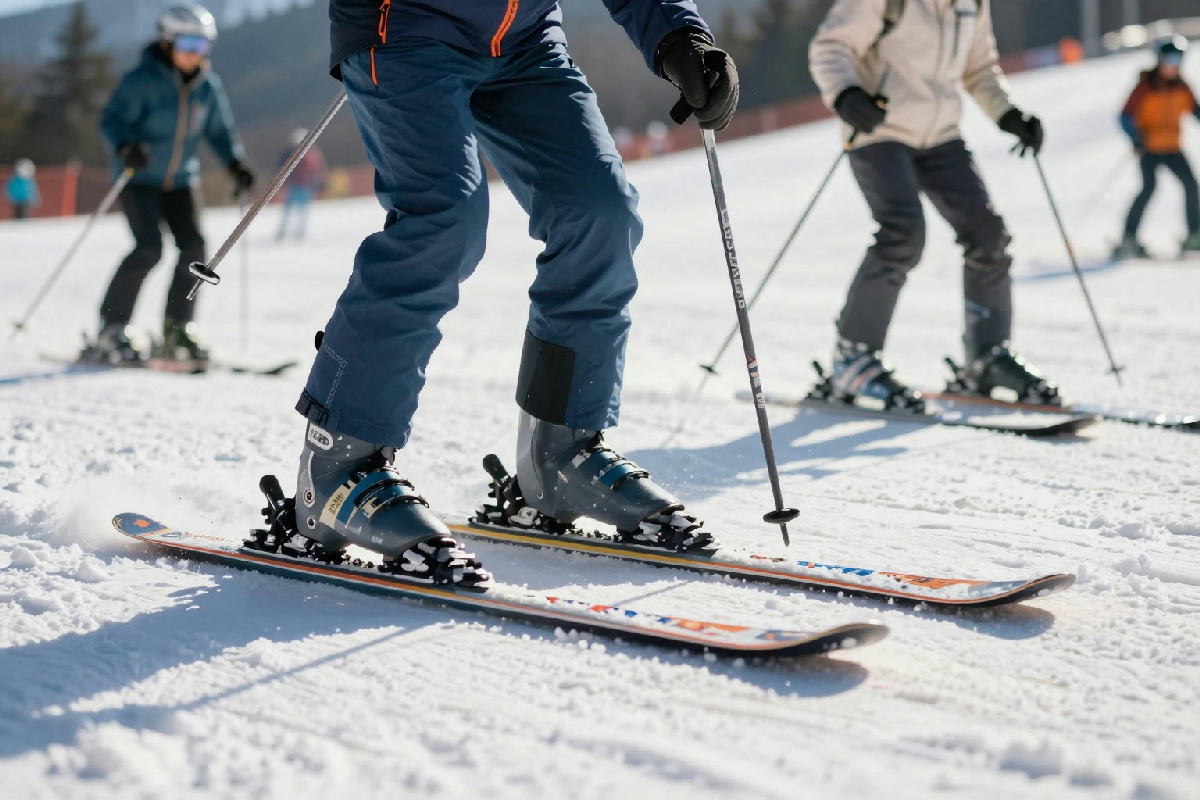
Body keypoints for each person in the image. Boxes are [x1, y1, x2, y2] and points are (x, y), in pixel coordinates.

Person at [272, 0, 738, 581]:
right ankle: (336, 467)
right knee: (444, 221)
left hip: (524, 40)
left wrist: (679, 36)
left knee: (599, 212)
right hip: (407, 27)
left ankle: (559, 457)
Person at [809, 0, 1057, 408]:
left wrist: (1009, 114)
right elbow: (830, 47)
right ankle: (852, 360)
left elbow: (979, 69)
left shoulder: (971, 3)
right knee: (903, 233)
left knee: (987, 233)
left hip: (940, 135)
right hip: (879, 129)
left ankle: (986, 357)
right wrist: (847, 94)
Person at [89, 4, 254, 366]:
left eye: (203, 46)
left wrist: (235, 163)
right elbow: (111, 119)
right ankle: (111, 329)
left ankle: (177, 329)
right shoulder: (141, 81)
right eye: (189, 45)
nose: (196, 54)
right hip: (140, 179)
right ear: (167, 42)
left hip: (182, 180)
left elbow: (220, 131)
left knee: (195, 249)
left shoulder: (207, 86)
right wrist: (125, 147)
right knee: (149, 248)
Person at [1114, 35, 1200, 259]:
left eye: (1178, 60)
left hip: (1172, 147)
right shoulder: (1146, 86)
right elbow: (1125, 116)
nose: (1173, 65)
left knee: (1191, 186)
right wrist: (1136, 138)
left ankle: (1195, 236)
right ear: (1160, 60)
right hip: (1150, 148)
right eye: (1170, 59)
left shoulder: (1183, 87)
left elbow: (1196, 111)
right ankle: (1129, 239)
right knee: (1148, 189)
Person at [275, 128, 325, 241]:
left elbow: (281, 167)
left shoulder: (292, 153)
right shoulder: (313, 153)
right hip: (303, 187)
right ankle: (295, 233)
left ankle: (288, 233)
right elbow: (317, 170)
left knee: (292, 210)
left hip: (299, 186)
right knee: (299, 211)